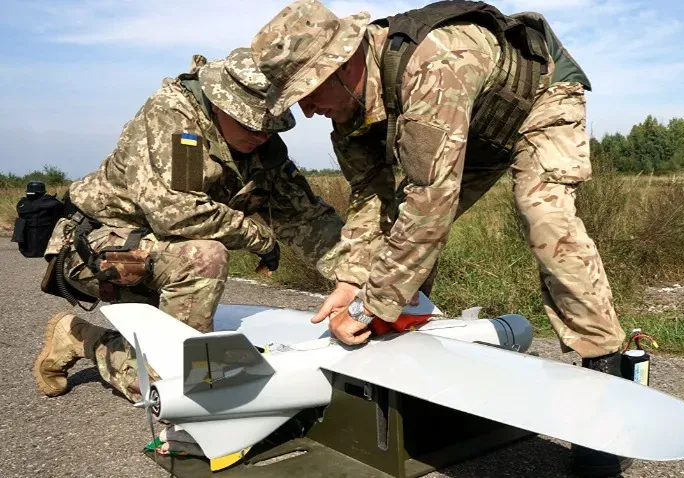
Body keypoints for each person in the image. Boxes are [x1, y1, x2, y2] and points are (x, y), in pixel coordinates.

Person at [250, 1, 630, 475]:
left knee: (546, 220)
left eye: (308, 91)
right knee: (395, 233)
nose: (306, 109)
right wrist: (351, 281)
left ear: (343, 63)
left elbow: (430, 205)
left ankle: (606, 382)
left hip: (539, 100)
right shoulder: (348, 114)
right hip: (474, 125)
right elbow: (372, 197)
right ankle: (405, 364)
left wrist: (372, 305)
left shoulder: (434, 64)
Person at [33, 47, 344, 404]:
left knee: (195, 338)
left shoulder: (260, 146)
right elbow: (177, 213)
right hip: (93, 250)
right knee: (176, 380)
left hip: (156, 257)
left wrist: (363, 280)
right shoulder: (173, 117)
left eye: (270, 126)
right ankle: (80, 337)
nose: (262, 135)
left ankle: (170, 359)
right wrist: (259, 237)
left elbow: (308, 217)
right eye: (251, 123)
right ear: (218, 104)